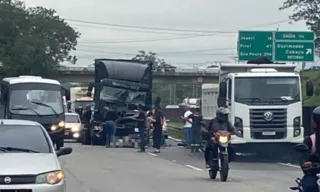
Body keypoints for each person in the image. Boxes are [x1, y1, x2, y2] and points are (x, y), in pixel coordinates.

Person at [299, 106, 320, 192]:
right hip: (315, 174)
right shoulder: (311, 140)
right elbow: (303, 159)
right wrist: (306, 164)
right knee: (309, 186)